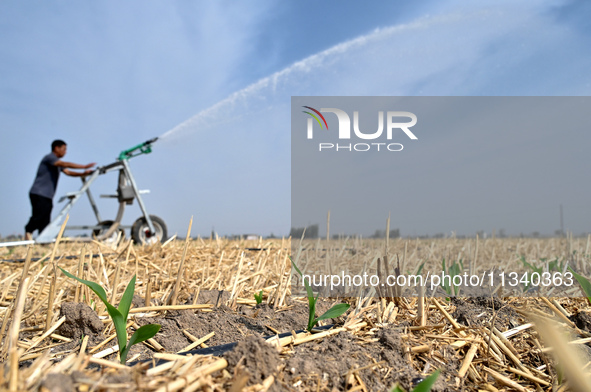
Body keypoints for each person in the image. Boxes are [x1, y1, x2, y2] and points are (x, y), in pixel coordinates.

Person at [25, 140, 96, 240]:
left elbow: (68, 172)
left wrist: (83, 173)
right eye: (64, 149)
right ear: (56, 148)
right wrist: (83, 166)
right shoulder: (50, 158)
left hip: (47, 195)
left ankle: (43, 240)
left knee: (45, 219)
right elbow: (65, 164)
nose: (65, 152)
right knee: (39, 215)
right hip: (39, 193)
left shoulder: (57, 163)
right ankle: (28, 231)